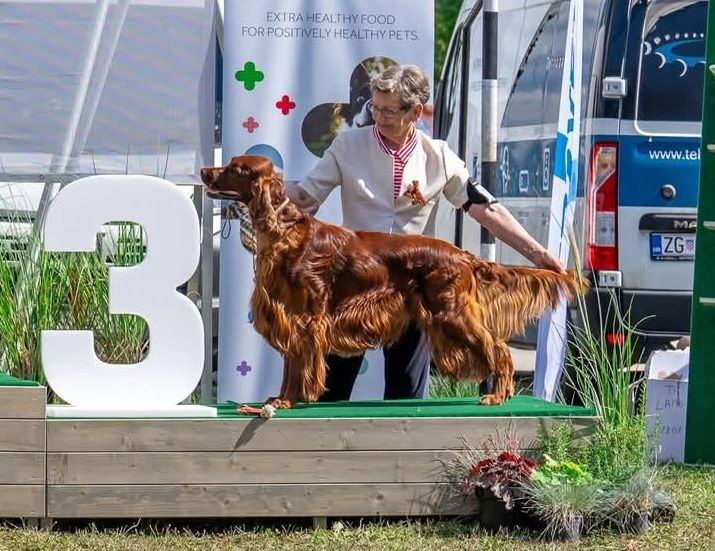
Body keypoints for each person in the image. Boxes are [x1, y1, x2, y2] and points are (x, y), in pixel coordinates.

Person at [285, 64, 565, 402]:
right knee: (330, 391)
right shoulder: (348, 145)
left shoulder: (438, 155)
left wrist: (538, 254)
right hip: (353, 282)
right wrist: (262, 190)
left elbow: (485, 208)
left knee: (406, 394)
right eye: (375, 107)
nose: (378, 117)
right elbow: (305, 197)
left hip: (414, 282)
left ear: (415, 112)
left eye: (389, 111)